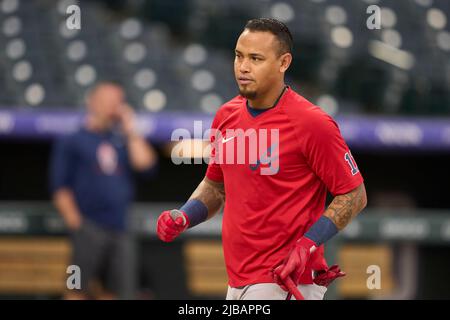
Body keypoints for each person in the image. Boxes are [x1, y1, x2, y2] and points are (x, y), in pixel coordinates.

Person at [156, 18, 367, 300]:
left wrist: (307, 244)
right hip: (239, 279)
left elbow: (354, 194)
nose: (243, 67)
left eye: (256, 58)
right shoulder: (226, 116)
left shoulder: (311, 122)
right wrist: (184, 215)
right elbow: (216, 187)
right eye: (238, 56)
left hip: (285, 279)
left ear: (283, 63)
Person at [50, 82, 157, 299]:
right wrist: (77, 224)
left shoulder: (121, 139)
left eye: (118, 102)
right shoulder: (72, 140)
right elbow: (59, 187)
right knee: (76, 287)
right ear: (92, 102)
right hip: (88, 227)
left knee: (119, 291)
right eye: (108, 101)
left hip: (120, 228)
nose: (113, 107)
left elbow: (146, 166)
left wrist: (131, 130)